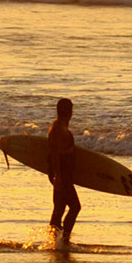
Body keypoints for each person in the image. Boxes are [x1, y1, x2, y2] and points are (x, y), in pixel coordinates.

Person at [47, 98, 80, 245]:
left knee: (59, 208)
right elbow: (54, 154)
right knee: (75, 206)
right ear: (69, 111)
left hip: (64, 174)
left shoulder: (62, 127)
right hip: (62, 175)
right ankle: (64, 239)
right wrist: (58, 177)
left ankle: (56, 241)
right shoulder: (57, 129)